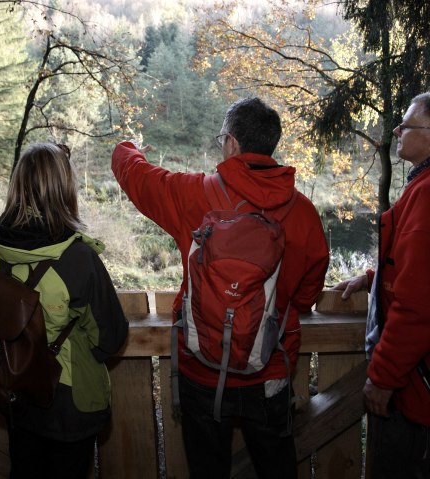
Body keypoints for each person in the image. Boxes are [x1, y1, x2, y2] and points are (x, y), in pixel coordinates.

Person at [112, 97, 329, 479]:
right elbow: (308, 293)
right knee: (277, 470)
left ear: (231, 144)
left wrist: (127, 149)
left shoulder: (194, 194)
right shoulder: (303, 212)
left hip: (203, 371)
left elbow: (138, 179)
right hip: (270, 370)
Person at [0, 142, 128, 479]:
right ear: (64, 188)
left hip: (14, 391)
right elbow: (109, 338)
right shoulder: (77, 259)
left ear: (17, 185)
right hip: (69, 401)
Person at [333, 93, 430, 478]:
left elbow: (419, 305)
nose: (396, 131)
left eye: (406, 125)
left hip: (417, 394)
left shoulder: (427, 194)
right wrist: (374, 280)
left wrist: (383, 378)